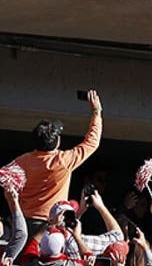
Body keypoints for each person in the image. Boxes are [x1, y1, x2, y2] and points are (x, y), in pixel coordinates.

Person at [10, 89, 103, 231]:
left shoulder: (21, 162)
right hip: (51, 224)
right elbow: (92, 142)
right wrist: (96, 112)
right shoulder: (63, 161)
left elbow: (3, 180)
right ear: (57, 142)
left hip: (23, 223)